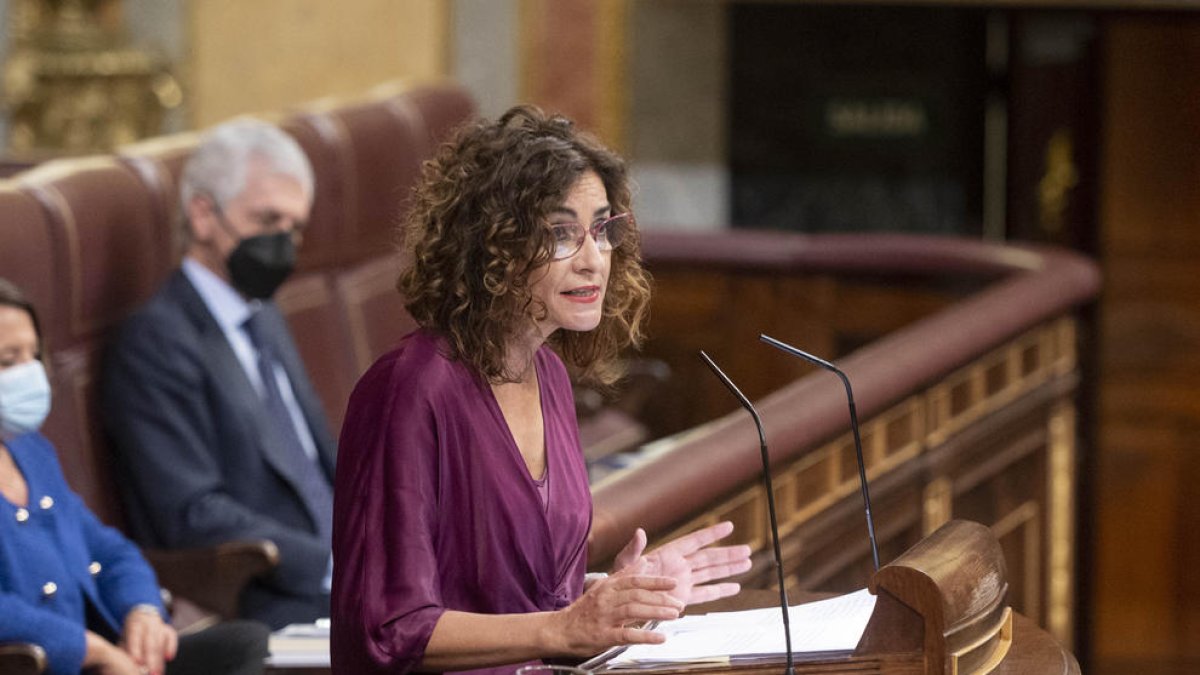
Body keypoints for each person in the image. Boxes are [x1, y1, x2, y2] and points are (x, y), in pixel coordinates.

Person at [331, 105, 754, 674]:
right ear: (493, 248)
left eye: (602, 229)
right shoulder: (411, 388)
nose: (593, 260)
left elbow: (508, 593)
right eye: (560, 234)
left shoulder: (548, 373)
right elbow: (391, 629)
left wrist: (618, 594)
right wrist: (566, 626)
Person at [102, 119, 336, 629]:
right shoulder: (156, 341)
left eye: (294, 228)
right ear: (204, 214)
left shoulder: (262, 312)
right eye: (268, 220)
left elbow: (315, 460)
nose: (284, 245)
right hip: (268, 597)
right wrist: (331, 567)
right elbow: (192, 512)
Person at [0, 278, 269, 675]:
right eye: (8, 361)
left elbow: (110, 551)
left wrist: (141, 613)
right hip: (45, 664)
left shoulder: (31, 450)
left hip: (114, 657)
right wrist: (92, 651)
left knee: (244, 643)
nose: (29, 373)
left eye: (33, 355)